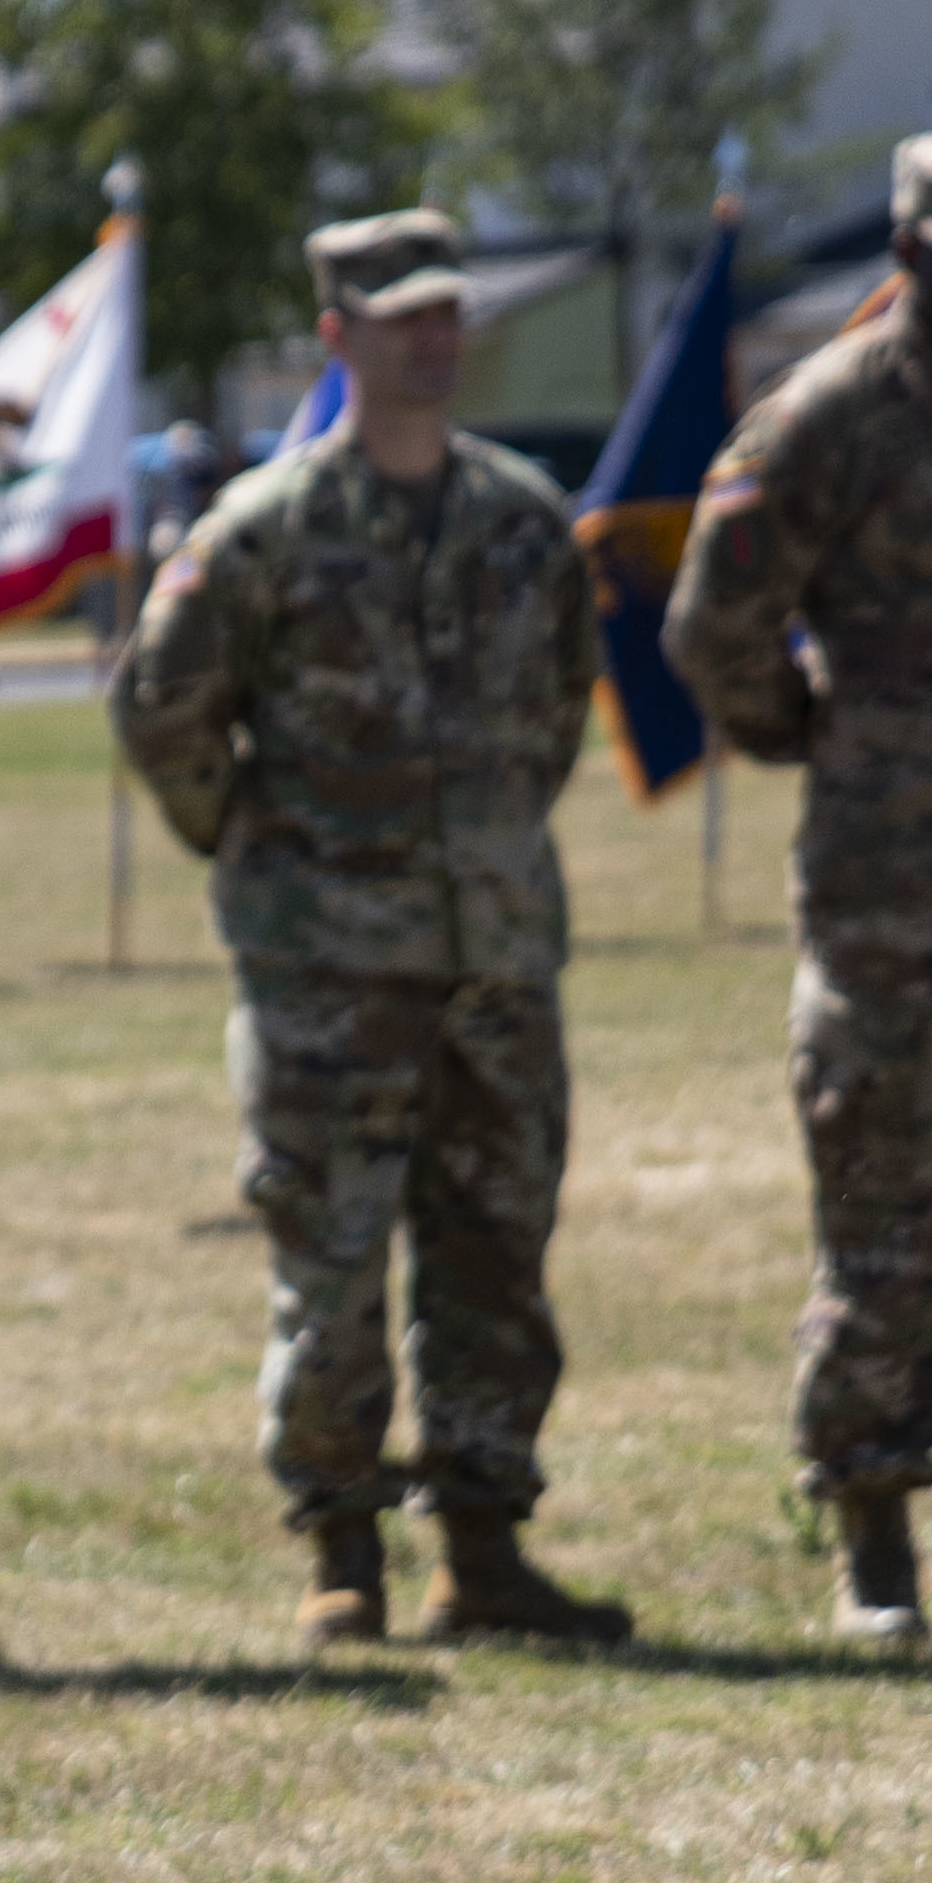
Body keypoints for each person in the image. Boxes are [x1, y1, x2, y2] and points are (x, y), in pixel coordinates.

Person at [113, 208, 630, 1650]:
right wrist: (264, 856)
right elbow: (163, 713)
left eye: (446, 309)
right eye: (401, 313)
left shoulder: (522, 516)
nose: (433, 334)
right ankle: (342, 1549)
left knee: (494, 1257)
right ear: (334, 337)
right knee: (330, 1266)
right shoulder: (263, 533)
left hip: (496, 962)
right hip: (326, 974)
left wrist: (485, 857)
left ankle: (484, 1547)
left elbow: (555, 711)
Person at [663, 133, 932, 1644]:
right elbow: (714, 627)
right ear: (908, 252)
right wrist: (810, 733)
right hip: (886, 881)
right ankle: (872, 1530)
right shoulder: (823, 420)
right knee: (878, 1191)